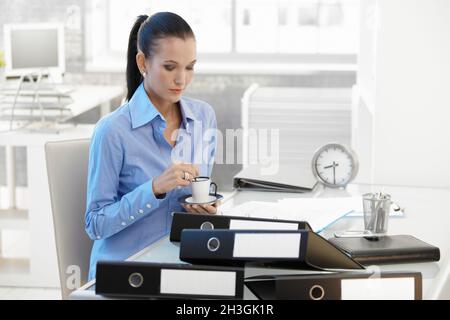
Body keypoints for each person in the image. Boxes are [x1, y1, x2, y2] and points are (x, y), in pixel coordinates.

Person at [85, 12, 218, 280]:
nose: (182, 79)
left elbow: (200, 192)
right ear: (143, 62)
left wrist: (204, 209)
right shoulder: (113, 130)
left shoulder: (204, 118)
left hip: (182, 265)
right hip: (125, 273)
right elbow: (95, 224)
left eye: (189, 67)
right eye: (170, 67)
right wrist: (154, 189)